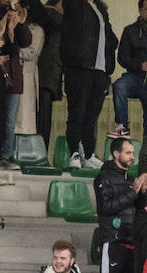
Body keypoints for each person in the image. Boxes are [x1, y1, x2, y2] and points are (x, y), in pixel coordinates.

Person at [94, 137, 147, 273]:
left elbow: (138, 209)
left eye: (133, 153)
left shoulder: (131, 179)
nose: (132, 156)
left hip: (131, 242)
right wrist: (134, 191)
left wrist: (143, 193)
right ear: (116, 154)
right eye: (128, 153)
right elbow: (106, 208)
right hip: (113, 241)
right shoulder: (103, 178)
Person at [61, 0, 117, 169]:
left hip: (100, 71)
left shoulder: (100, 8)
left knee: (92, 116)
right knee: (77, 113)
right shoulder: (74, 5)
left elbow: (110, 37)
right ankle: (74, 153)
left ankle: (89, 154)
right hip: (80, 68)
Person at [108, 0, 147, 139]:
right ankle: (122, 127)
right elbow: (122, 57)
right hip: (135, 78)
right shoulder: (130, 30)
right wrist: (138, 65)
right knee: (119, 86)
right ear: (140, 10)